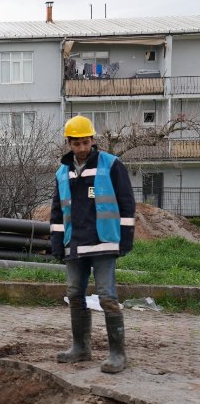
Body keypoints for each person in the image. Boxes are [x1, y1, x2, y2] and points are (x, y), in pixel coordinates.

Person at [50, 115, 136, 374]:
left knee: (108, 297)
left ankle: (118, 355)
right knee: (75, 294)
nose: (81, 148)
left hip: (103, 243)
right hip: (75, 245)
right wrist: (57, 243)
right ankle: (81, 348)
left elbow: (126, 203)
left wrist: (125, 239)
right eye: (76, 144)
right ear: (69, 143)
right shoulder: (62, 173)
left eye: (85, 142)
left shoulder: (111, 165)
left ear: (92, 140)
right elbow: (57, 212)